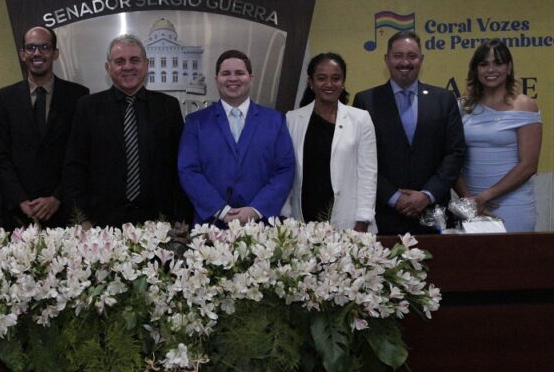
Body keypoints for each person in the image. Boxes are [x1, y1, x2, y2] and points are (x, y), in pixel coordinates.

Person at [63, 34, 190, 227]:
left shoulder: (168, 107)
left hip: (160, 223)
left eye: (135, 60)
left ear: (146, 65)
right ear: (108, 68)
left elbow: (179, 167)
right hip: (102, 225)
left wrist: (181, 219)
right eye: (120, 61)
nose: (128, 67)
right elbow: (75, 168)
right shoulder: (88, 107)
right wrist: (81, 219)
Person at [353, 31, 465, 235]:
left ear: (421, 59)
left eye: (412, 56)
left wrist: (427, 195)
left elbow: (455, 153)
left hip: (434, 215)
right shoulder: (366, 101)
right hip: (384, 215)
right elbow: (361, 158)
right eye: (398, 56)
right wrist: (394, 197)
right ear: (386, 59)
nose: (405, 62)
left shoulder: (444, 99)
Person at [178, 49, 295, 225]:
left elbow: (284, 169)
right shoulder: (196, 123)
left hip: (261, 227)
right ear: (216, 79)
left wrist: (256, 210)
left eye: (239, 73)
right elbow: (188, 170)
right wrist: (221, 210)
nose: (233, 78)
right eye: (226, 73)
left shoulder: (275, 121)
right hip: (211, 227)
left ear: (251, 78)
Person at [0, 26, 89, 230]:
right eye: (31, 48)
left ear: (55, 53)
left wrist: (57, 197)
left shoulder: (78, 96)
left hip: (64, 211)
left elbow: (81, 155)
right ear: (22, 54)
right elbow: (0, 156)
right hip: (19, 212)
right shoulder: (6, 97)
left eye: (45, 47)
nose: (37, 53)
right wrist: (20, 200)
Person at [282, 53, 377, 232]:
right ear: (311, 82)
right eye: (321, 78)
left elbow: (368, 173)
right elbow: (286, 171)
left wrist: (363, 219)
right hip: (301, 219)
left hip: (348, 221)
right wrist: (285, 214)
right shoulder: (292, 119)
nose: (329, 84)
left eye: (336, 78)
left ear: (343, 82)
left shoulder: (360, 119)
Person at [455, 39, 542, 232]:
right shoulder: (462, 107)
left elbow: (528, 166)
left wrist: (485, 197)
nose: (490, 69)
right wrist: (470, 200)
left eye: (498, 63)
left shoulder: (525, 105)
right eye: (483, 64)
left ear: (509, 67)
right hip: (471, 207)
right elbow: (450, 159)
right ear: (475, 69)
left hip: (513, 205)